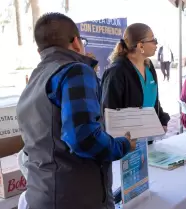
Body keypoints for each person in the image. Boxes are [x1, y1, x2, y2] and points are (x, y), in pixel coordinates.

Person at [16, 13, 135, 209]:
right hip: (76, 198)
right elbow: (84, 138)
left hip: (41, 194)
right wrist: (122, 145)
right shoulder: (76, 71)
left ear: (40, 51)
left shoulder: (36, 79)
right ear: (76, 42)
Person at [102, 23, 170, 136]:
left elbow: (153, 101)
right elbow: (109, 114)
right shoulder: (116, 72)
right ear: (140, 46)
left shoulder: (149, 66)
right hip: (127, 145)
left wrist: (162, 120)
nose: (156, 44)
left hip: (149, 138)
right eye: (153, 40)